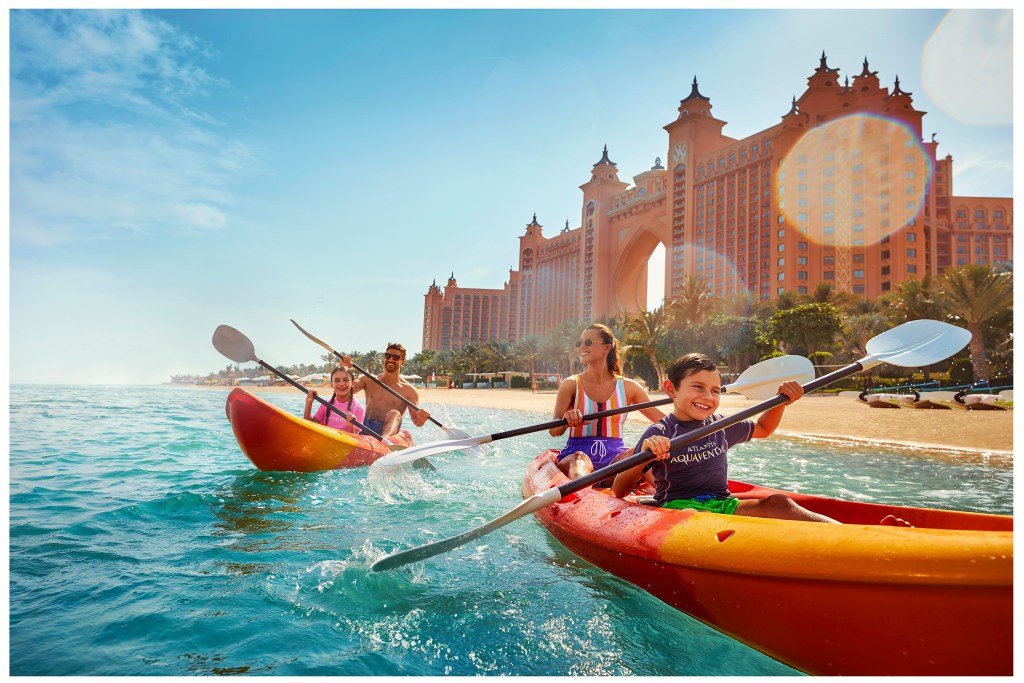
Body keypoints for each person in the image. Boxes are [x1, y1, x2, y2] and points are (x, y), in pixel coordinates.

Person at [611, 352, 909, 526]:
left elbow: (764, 429)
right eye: (697, 387)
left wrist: (780, 402)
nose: (707, 397)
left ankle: (857, 535)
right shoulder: (659, 433)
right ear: (671, 389)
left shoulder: (721, 425)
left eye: (715, 390)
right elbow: (621, 490)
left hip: (722, 504)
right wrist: (646, 455)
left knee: (780, 503)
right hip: (679, 509)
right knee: (695, 517)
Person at [550, 323, 666, 480]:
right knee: (579, 459)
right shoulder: (571, 384)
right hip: (577, 455)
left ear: (606, 348)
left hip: (614, 459)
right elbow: (554, 431)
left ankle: (668, 497)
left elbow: (663, 422)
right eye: (580, 343)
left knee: (639, 453)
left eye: (588, 342)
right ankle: (583, 494)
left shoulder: (628, 387)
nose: (581, 347)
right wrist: (566, 421)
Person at [339, 342, 430, 437]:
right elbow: (343, 390)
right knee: (353, 406)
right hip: (365, 424)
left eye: (395, 358)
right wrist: (342, 367)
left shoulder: (409, 390)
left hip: (387, 430)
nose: (391, 359)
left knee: (395, 413)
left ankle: (384, 441)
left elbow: (417, 422)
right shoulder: (369, 379)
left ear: (402, 361)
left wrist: (422, 417)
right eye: (388, 356)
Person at [304, 366, 365, 434]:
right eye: (337, 380)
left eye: (346, 380)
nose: (341, 384)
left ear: (352, 383)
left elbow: (355, 440)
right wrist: (309, 403)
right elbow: (309, 425)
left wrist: (351, 426)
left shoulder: (359, 408)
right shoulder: (326, 404)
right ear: (332, 384)